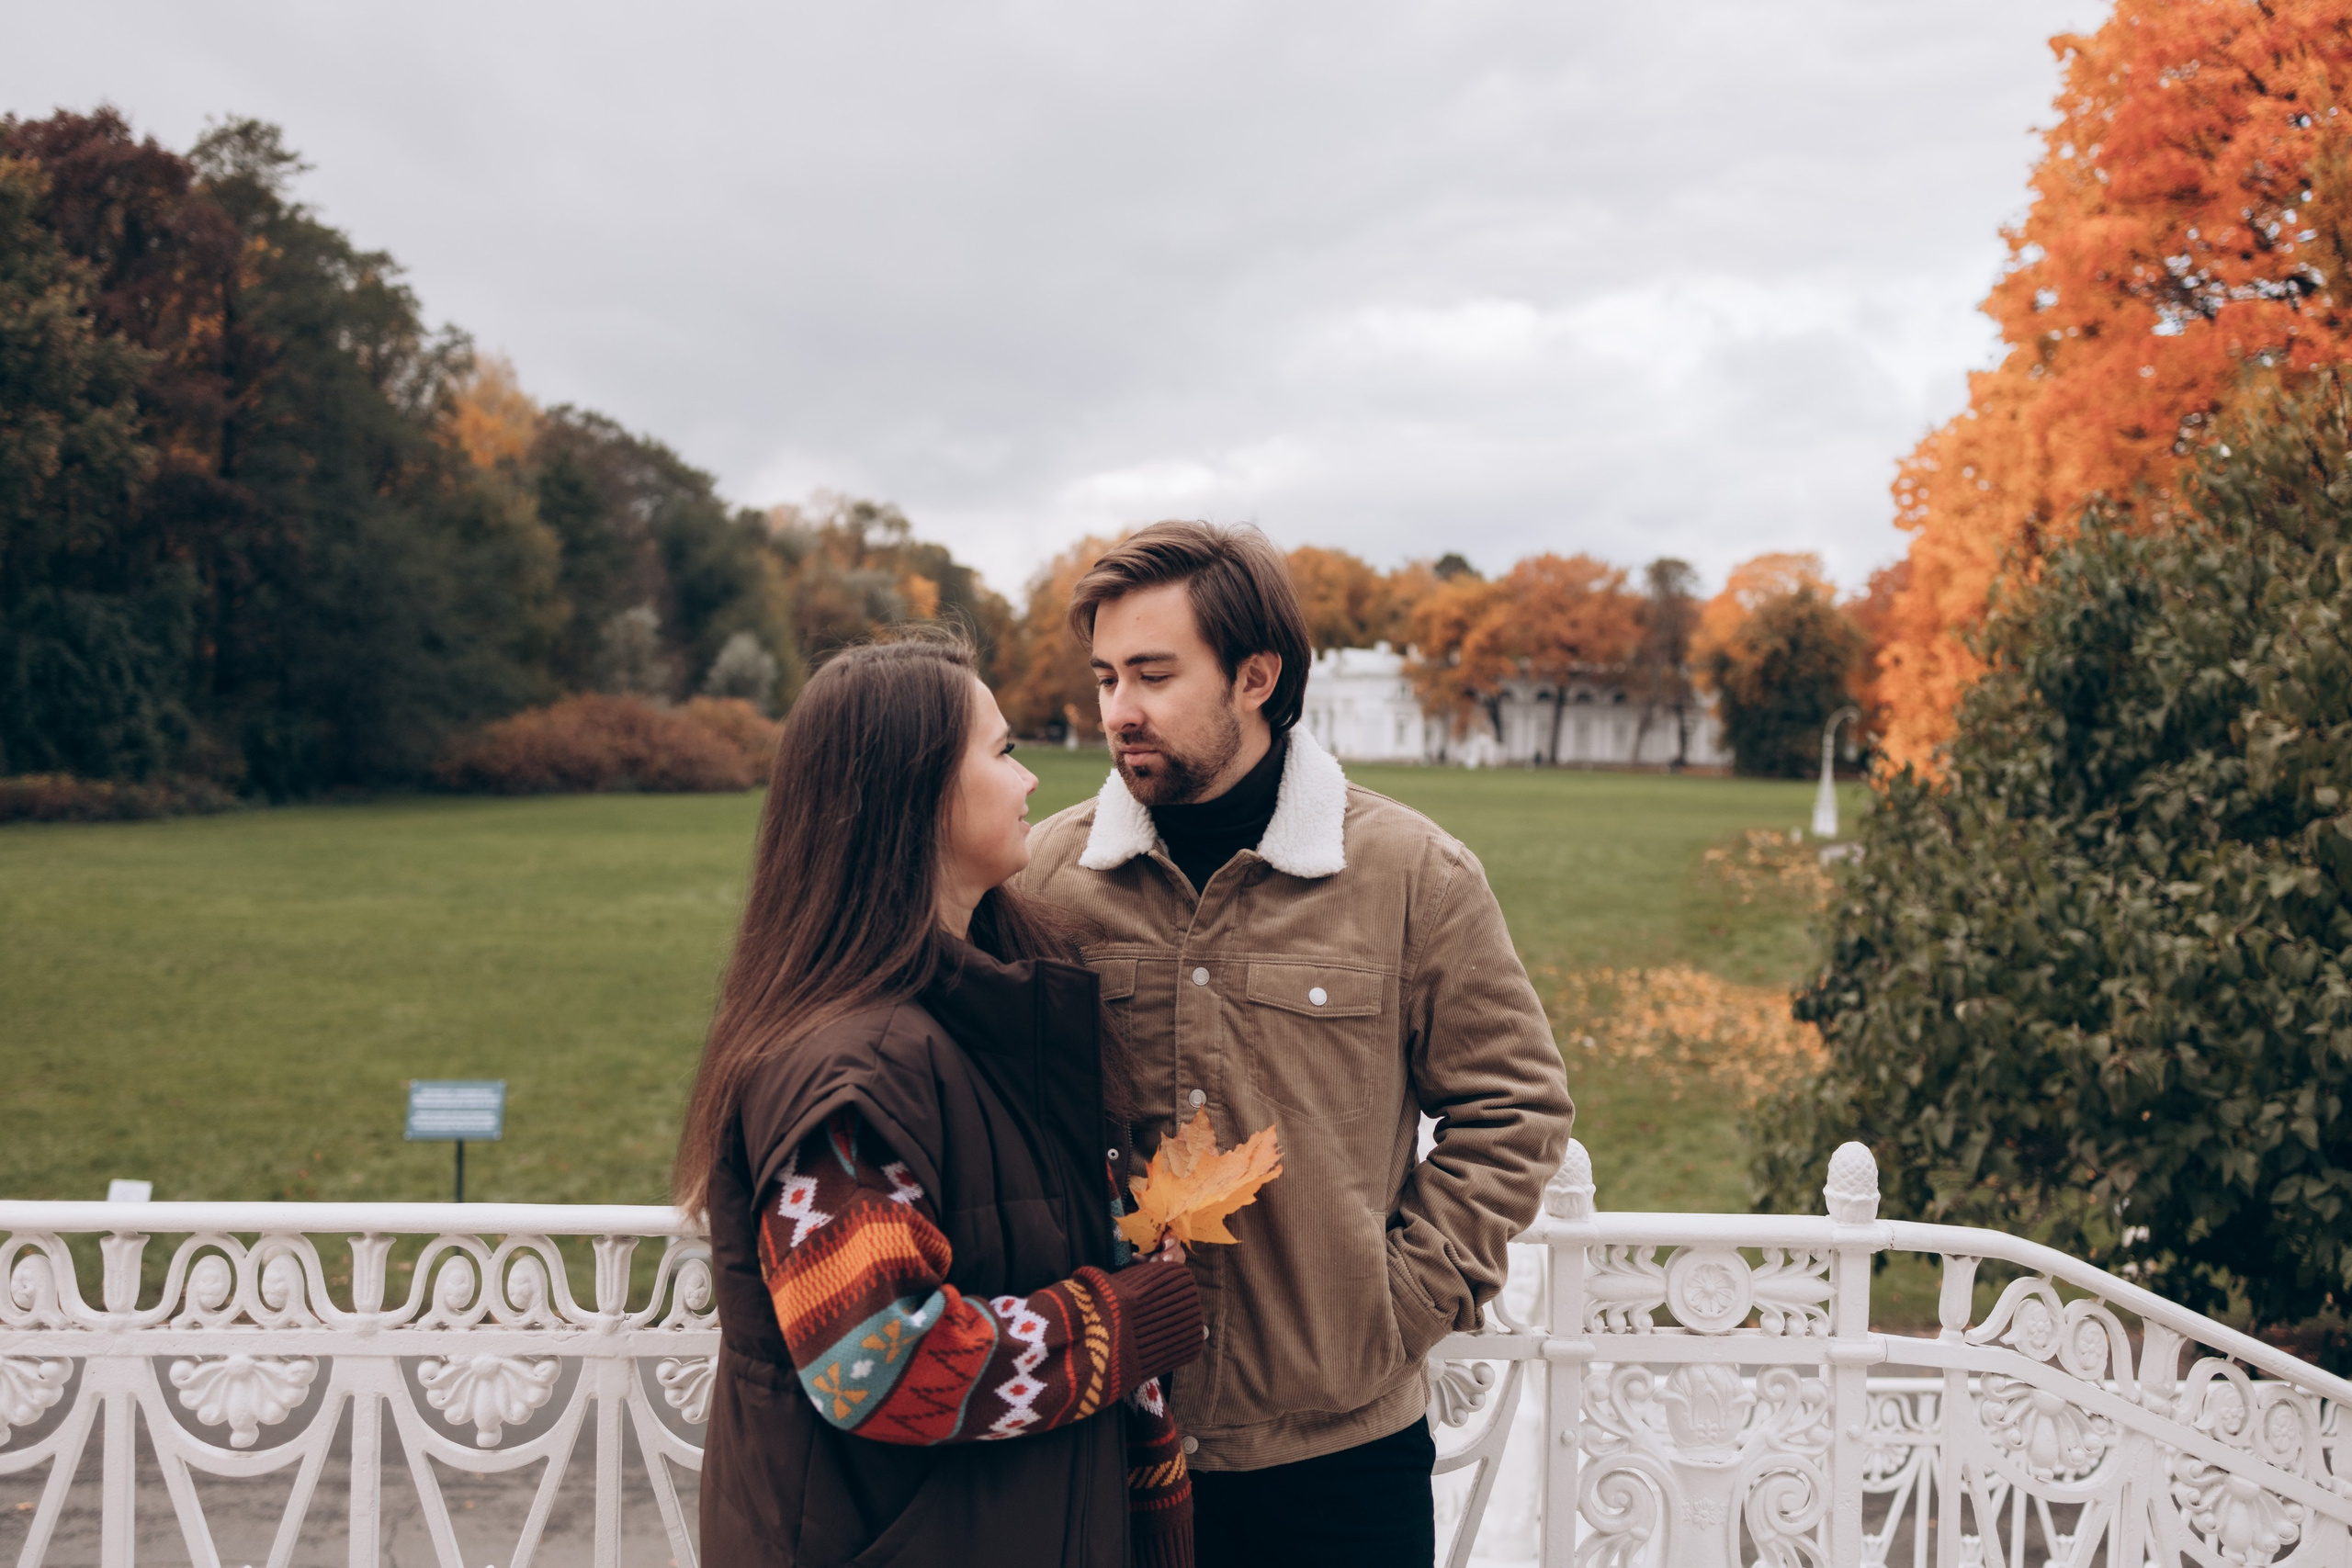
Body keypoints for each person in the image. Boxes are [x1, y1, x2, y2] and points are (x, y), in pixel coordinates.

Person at [1018, 523, 1575, 1567]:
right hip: (1097, 1445)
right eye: (1103, 678)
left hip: (1339, 1463)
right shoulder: (1042, 884)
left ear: (1254, 678)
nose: (1116, 711)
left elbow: (1516, 1106)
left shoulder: (1412, 876)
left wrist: (1399, 1302)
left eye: (1151, 673)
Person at [679, 637, 1206, 1568]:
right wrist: (1127, 1320)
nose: (1032, 781)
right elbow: (877, 1365)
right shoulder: (852, 1070)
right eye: (1002, 752)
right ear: (916, 792)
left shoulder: (987, 1017)